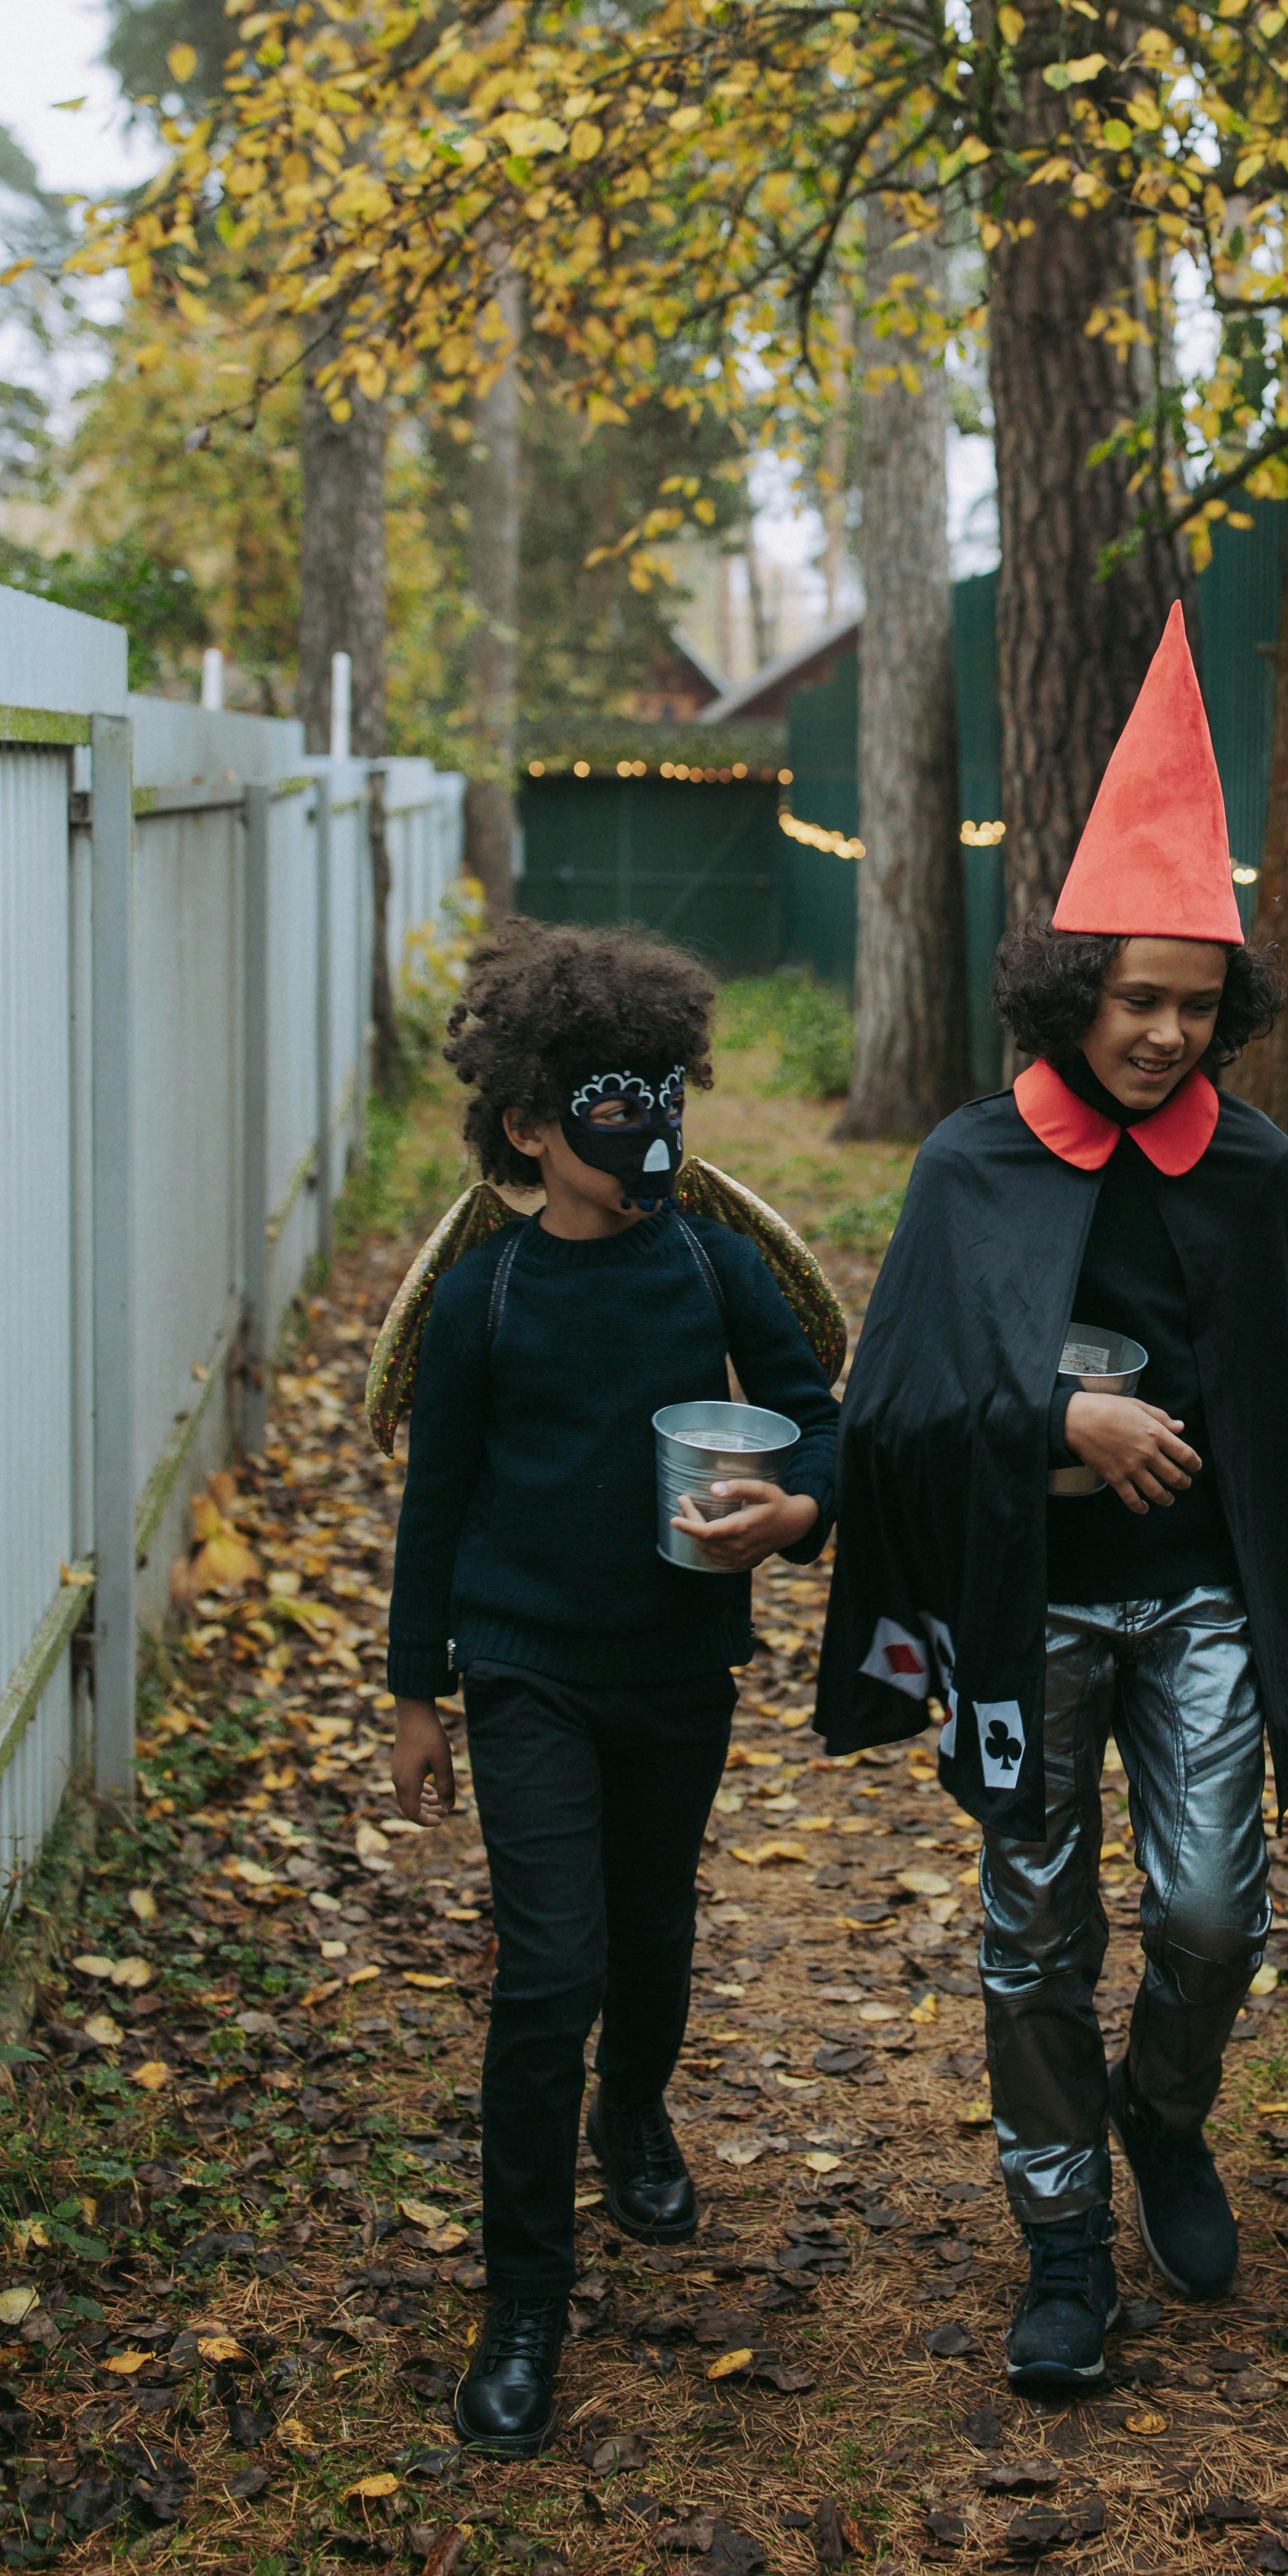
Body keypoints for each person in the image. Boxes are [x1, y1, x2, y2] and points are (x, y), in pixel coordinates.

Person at [816, 607, 1288, 2391]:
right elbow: (896, 1404)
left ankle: (1161, 2107)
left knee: (1214, 1911)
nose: (1162, 1035)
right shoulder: (973, 1161)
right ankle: (1060, 2238)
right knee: (1031, 1921)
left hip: (1200, 1590)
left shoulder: (1250, 1164)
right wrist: (1064, 1412)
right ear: (1074, 990)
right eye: (1136, 999)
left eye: (1197, 1006)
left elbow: (1285, 1410)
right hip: (1024, 1601)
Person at [378, 920, 842, 2457]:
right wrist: (415, 1693)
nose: (647, 1129)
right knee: (548, 1969)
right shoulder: (484, 1298)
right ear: (527, 1121)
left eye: (665, 1095)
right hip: (521, 1669)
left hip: (678, 1664)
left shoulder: (711, 1268)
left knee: (650, 1931)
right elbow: (433, 1504)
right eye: (611, 1101)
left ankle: (631, 2110)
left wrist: (797, 1510)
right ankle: (523, 2298)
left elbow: (814, 1417)